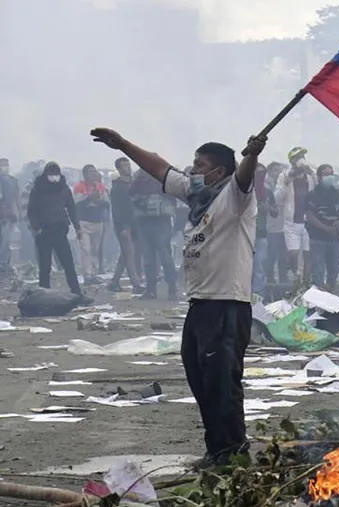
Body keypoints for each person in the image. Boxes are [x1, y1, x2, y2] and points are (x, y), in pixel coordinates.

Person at [91, 126, 265, 469]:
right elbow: (159, 168)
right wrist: (123, 144)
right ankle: (217, 448)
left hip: (227, 304)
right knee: (199, 377)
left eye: (199, 165)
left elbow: (244, 177)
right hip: (200, 304)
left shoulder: (236, 196)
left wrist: (252, 155)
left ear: (218, 171)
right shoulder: (197, 195)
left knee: (221, 381)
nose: (192, 171)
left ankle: (231, 452)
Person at [26, 162, 91, 304]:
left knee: (68, 263)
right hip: (44, 231)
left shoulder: (64, 188)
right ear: (46, 174)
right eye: (51, 173)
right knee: (45, 266)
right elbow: (32, 211)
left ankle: (77, 293)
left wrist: (77, 227)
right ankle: (44, 295)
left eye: (56, 173)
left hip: (60, 230)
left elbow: (71, 209)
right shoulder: (38, 189)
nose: (54, 176)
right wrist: (37, 228)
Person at [130, 168, 178, 300]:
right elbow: (131, 196)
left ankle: (170, 287)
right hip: (146, 221)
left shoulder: (163, 180)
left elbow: (173, 198)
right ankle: (154, 289)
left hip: (160, 221)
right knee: (150, 258)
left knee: (164, 256)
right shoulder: (140, 180)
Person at [305, 164, 339, 291]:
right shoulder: (312, 195)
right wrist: (325, 228)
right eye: (326, 174)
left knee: (334, 268)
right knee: (318, 268)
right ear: (319, 177)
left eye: (331, 174)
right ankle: (317, 293)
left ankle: (330, 291)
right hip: (318, 237)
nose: (329, 177)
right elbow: (310, 215)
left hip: (335, 238)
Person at [275, 147, 314, 285]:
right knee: (293, 253)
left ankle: (306, 283)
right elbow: (277, 198)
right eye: (298, 157)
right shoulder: (285, 176)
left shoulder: (311, 174)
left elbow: (317, 191)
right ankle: (295, 274)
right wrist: (287, 181)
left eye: (303, 156)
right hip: (291, 222)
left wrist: (312, 174)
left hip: (308, 222)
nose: (301, 160)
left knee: (308, 255)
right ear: (292, 161)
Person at [108, 157, 144, 293]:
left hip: (135, 223)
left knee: (126, 255)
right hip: (124, 225)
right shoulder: (117, 187)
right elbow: (117, 209)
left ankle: (114, 281)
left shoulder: (133, 185)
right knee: (130, 254)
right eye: (124, 165)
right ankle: (136, 283)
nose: (128, 167)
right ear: (118, 169)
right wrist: (122, 227)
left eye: (128, 164)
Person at [73, 164, 110, 284]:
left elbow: (106, 204)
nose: (93, 174)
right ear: (85, 174)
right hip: (84, 222)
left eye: (94, 171)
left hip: (98, 221)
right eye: (90, 172)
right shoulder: (79, 187)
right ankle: (87, 275)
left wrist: (97, 201)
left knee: (95, 249)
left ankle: (93, 273)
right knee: (86, 249)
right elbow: (77, 204)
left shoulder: (101, 187)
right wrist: (89, 198)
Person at [253, 163, 278, 300]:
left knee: (259, 267)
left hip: (261, 234)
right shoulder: (245, 192)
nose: (260, 176)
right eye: (257, 173)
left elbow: (275, 212)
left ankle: (257, 298)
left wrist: (267, 208)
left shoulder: (267, 193)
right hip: (245, 234)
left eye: (262, 173)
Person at [264, 162, 289, 285]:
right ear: (269, 171)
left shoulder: (285, 183)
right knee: (272, 254)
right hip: (272, 226)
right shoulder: (267, 185)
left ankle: (283, 277)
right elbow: (275, 198)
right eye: (276, 171)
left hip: (284, 225)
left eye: (280, 171)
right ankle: (270, 278)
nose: (278, 173)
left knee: (283, 255)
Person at [0, 159, 20, 271]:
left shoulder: (12, 180)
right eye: (2, 165)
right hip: (4, 215)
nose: (4, 167)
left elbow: (14, 198)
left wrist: (16, 213)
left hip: (7, 215)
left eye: (6, 165)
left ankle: (4, 262)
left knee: (7, 239)